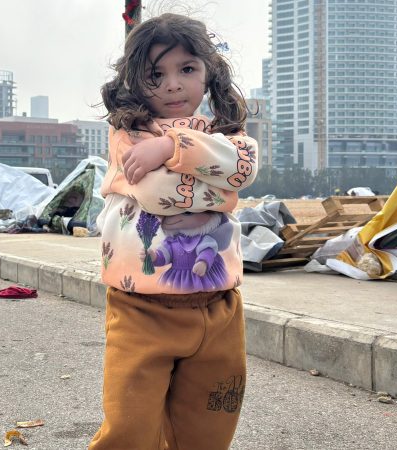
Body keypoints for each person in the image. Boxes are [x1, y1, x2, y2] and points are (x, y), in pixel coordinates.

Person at [90, 13, 259, 450]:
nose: (172, 85)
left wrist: (170, 148)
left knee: (208, 432)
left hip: (219, 307)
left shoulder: (225, 132)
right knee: (129, 431)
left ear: (209, 73)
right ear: (134, 81)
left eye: (187, 69)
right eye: (156, 75)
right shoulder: (128, 135)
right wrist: (221, 194)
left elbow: (244, 166)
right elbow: (156, 193)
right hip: (140, 308)